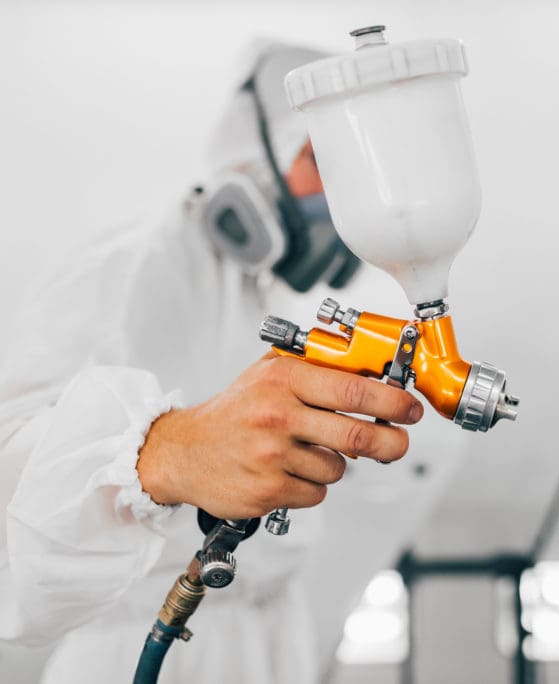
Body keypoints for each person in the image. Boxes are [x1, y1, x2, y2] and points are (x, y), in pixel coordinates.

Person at [0, 43, 451, 682]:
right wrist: (162, 452)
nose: (343, 193)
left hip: (267, 641)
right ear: (252, 152)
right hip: (146, 647)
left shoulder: (253, 293)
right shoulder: (129, 268)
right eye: (320, 160)